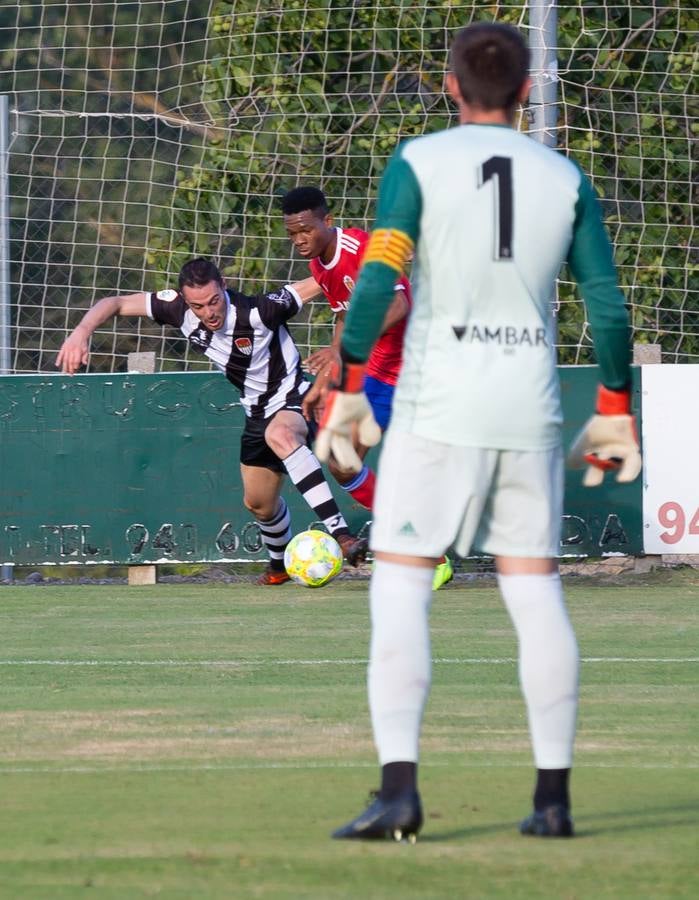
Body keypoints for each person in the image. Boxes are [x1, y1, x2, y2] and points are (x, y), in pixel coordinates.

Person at [316, 22, 641, 841]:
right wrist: (613, 405)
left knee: (398, 586)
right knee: (533, 592)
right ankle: (552, 801)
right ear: (527, 91)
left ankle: (398, 794)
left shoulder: (417, 162)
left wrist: (350, 382)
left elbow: (379, 276)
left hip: (439, 404)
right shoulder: (563, 176)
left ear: (451, 89)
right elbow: (605, 305)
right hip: (527, 402)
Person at [56, 257, 367, 584]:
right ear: (185, 300)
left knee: (281, 434)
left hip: (295, 399)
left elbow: (319, 279)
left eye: (214, 300)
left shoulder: (259, 311)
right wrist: (81, 332)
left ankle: (342, 535)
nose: (209, 312)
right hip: (256, 413)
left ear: (224, 288)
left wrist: (367, 259)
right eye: (199, 306)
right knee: (259, 505)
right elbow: (115, 302)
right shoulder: (177, 309)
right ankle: (279, 565)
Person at [282, 186, 453, 590]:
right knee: (342, 463)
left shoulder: (361, 249)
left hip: (399, 367)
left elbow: (398, 306)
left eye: (306, 229)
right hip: (369, 368)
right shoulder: (322, 266)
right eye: (292, 234)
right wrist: (327, 374)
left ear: (327, 220)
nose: (300, 240)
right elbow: (344, 316)